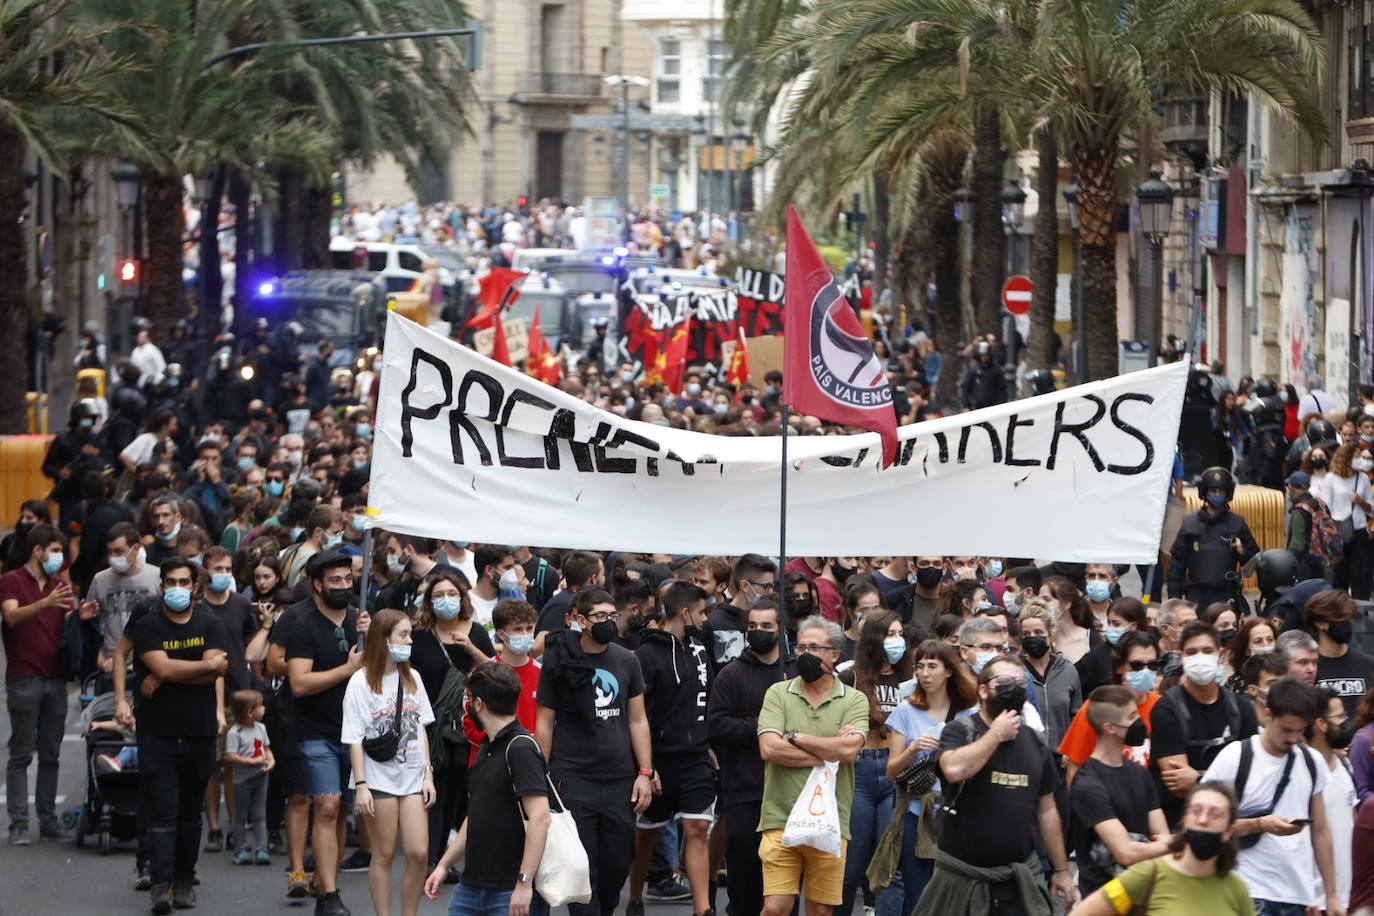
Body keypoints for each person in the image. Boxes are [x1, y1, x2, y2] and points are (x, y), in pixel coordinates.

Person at [914, 654, 1077, 915]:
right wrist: (996, 735)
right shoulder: (961, 731)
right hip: (962, 881)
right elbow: (954, 770)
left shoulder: (1036, 743)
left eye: (1020, 683)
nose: (1013, 688)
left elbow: (1047, 811)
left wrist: (1061, 869)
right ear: (983, 690)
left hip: (1018, 880)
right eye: (1003, 682)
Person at [113, 557, 229, 914]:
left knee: (190, 814)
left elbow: (216, 672)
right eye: (170, 581)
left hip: (198, 732)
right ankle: (159, 886)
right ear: (161, 585)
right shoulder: (149, 622)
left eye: (183, 581)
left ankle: (184, 882)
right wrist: (201, 667)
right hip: (157, 733)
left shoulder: (210, 622)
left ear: (195, 586)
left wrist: (164, 676)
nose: (176, 588)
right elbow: (173, 664)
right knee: (163, 813)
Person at [535, 587, 655, 916]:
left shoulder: (628, 660)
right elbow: (544, 724)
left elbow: (637, 719)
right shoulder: (557, 662)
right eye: (600, 616)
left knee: (618, 863)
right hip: (573, 777)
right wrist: (539, 779)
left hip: (620, 779)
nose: (608, 622)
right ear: (579, 620)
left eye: (611, 616)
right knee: (581, 868)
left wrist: (645, 772)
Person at [1203, 677, 1346, 916]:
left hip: (1298, 894)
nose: (1292, 738)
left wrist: (1331, 895)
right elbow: (1203, 823)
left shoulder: (1312, 761)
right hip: (1246, 889)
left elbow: (1321, 831)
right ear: (1268, 715)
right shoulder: (1235, 757)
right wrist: (1260, 824)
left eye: (1300, 731)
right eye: (1286, 729)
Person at [755, 615, 868, 916]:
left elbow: (849, 748)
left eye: (815, 648)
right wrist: (826, 754)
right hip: (780, 816)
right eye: (802, 647)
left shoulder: (854, 700)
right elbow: (768, 748)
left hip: (831, 821)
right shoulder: (778, 693)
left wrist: (794, 737)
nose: (806, 654)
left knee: (819, 910)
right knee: (776, 907)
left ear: (835, 655)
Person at [425, 662, 551, 916]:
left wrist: (524, 884)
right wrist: (443, 865)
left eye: (468, 699)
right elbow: (476, 816)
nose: (466, 706)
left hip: (509, 890)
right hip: (470, 888)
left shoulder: (521, 749)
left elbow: (540, 818)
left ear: (479, 704)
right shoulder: (486, 747)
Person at [285, 550, 370, 916]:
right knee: (327, 804)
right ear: (317, 584)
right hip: (315, 729)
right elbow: (299, 683)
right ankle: (329, 896)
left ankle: (327, 879)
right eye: (334, 581)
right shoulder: (301, 623)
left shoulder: (360, 620)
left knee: (341, 812)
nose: (342, 587)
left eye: (347, 580)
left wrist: (375, 641)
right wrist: (348, 668)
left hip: (354, 732)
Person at [626, 581, 714, 916]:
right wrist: (645, 767)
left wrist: (708, 743)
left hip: (695, 758)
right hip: (658, 760)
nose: (705, 620)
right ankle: (635, 898)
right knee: (647, 834)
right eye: (702, 612)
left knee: (697, 828)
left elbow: (705, 700)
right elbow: (639, 714)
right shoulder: (645, 655)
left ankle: (702, 909)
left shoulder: (700, 649)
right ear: (686, 612)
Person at [342, 609, 437, 916]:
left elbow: (421, 727)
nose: (409, 640)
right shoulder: (359, 682)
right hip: (376, 776)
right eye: (404, 634)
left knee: (419, 853)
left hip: (412, 775)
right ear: (384, 639)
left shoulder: (413, 677)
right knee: (382, 853)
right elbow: (353, 737)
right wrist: (361, 785)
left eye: (409, 634)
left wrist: (428, 774)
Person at [707, 599, 794, 916]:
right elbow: (716, 725)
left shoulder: (794, 674)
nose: (758, 632)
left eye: (766, 626)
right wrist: (765, 726)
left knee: (786, 885)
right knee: (744, 879)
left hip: (790, 792)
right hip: (743, 790)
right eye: (753, 626)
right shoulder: (731, 675)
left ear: (781, 629)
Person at [884, 640, 979, 915]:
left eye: (932, 666)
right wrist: (913, 748)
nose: (925, 674)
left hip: (958, 811)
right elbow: (892, 771)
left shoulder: (969, 712)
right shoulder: (905, 710)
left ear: (949, 670)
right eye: (920, 666)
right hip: (917, 811)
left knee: (958, 894)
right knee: (919, 895)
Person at [407, 570, 493, 870]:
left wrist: (469, 647)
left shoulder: (477, 632)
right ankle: (430, 859)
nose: (446, 600)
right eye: (439, 595)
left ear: (463, 598)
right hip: (427, 724)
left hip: (468, 725)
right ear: (429, 602)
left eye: (452, 594)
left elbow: (495, 671)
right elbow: (406, 675)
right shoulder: (418, 634)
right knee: (435, 792)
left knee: (458, 792)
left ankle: (444, 857)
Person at [0, 523, 77, 845]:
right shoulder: (11, 581)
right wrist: (45, 604)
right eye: (55, 551)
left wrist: (81, 616)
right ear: (38, 550)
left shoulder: (60, 585)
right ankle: (19, 823)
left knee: (50, 753)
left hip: (55, 678)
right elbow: (12, 617)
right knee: (20, 754)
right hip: (24, 677)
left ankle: (47, 821)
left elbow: (68, 627)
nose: (58, 558)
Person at [1067, 782, 1252, 916]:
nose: (1203, 820)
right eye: (1196, 811)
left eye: (1215, 814)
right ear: (1184, 820)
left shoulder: (1237, 890)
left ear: (1229, 831)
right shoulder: (1148, 875)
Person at [836, 611, 910, 916]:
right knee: (849, 866)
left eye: (900, 633)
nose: (897, 640)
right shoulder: (850, 677)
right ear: (873, 639)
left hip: (896, 769)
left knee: (890, 866)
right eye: (890, 634)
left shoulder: (910, 678)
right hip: (860, 769)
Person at [1149, 621, 1259, 827]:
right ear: (1181, 657)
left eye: (1207, 651)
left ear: (1221, 655)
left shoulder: (1241, 707)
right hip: (1182, 823)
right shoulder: (1166, 709)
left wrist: (1199, 778)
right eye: (1192, 652)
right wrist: (1229, 776)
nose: (1200, 657)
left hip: (1232, 823)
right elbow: (1179, 786)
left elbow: (1252, 776)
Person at [1068, 685, 1170, 898]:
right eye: (1132, 716)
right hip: (1103, 899)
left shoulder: (1139, 773)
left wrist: (1166, 844)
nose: (1139, 723)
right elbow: (1124, 852)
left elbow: (1162, 835)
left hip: (1141, 893)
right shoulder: (1087, 784)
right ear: (1110, 728)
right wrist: (1182, 842)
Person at [1060, 631, 1163, 784]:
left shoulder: (1162, 706)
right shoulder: (1096, 707)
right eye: (1136, 665)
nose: (1145, 671)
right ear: (1119, 667)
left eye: (1152, 665)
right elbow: (1074, 769)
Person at [1167, 467, 1259, 609]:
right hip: (1196, 595)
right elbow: (1175, 568)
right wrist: (1175, 602)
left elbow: (1255, 562)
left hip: (1226, 595)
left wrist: (1242, 551)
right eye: (1213, 491)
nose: (1217, 495)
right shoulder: (1190, 524)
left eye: (1221, 492)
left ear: (1227, 493)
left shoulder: (1237, 524)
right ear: (1205, 492)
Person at [89, 521, 161, 672]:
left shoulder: (156, 576)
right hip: (112, 664)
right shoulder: (100, 580)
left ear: (135, 548)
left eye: (119, 551)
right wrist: (100, 658)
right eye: (110, 552)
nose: (113, 557)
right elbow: (91, 625)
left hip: (150, 662)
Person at [1310, 686, 1357, 911]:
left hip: (1348, 896)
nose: (1346, 723)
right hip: (1316, 902)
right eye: (1340, 717)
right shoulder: (1303, 773)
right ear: (1320, 724)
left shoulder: (1346, 765)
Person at [1018, 601, 1083, 753]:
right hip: (1026, 756)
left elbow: (1076, 717)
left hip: (1060, 758)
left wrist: (1072, 752)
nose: (1032, 638)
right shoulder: (1015, 671)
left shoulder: (1067, 670)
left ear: (1051, 635)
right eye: (1026, 634)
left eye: (1038, 633)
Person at [1304, 588, 1374, 718]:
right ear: (1320, 623)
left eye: (1349, 618)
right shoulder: (1308, 668)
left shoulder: (1368, 664)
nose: (1346, 624)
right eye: (1340, 618)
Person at [224, 688, 275, 866]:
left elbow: (266, 749)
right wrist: (250, 762)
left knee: (259, 813)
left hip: (261, 776)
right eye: (260, 706)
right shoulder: (234, 733)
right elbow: (230, 756)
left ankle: (261, 847)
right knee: (241, 814)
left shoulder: (261, 728)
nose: (264, 708)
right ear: (249, 712)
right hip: (243, 779)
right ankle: (240, 847)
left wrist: (270, 761)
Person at [703, 553, 777, 669]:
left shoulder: (774, 620)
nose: (770, 592)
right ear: (745, 586)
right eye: (766, 586)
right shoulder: (713, 623)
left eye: (772, 586)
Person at [1225, 617, 1277, 693]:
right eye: (1258, 641)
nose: (1266, 645)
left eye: (1270, 640)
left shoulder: (1286, 676)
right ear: (1247, 650)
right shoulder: (1234, 684)